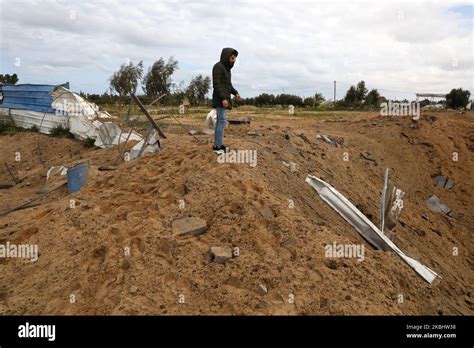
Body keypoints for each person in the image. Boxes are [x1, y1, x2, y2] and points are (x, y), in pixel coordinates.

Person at [212, 47, 240, 154]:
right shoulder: (218, 66)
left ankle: (218, 145)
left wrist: (235, 92)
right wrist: (223, 98)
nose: (234, 61)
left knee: (221, 121)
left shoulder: (227, 70)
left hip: (224, 99)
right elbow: (216, 84)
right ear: (227, 56)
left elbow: (229, 86)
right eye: (232, 58)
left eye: (235, 59)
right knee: (221, 121)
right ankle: (218, 147)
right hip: (220, 99)